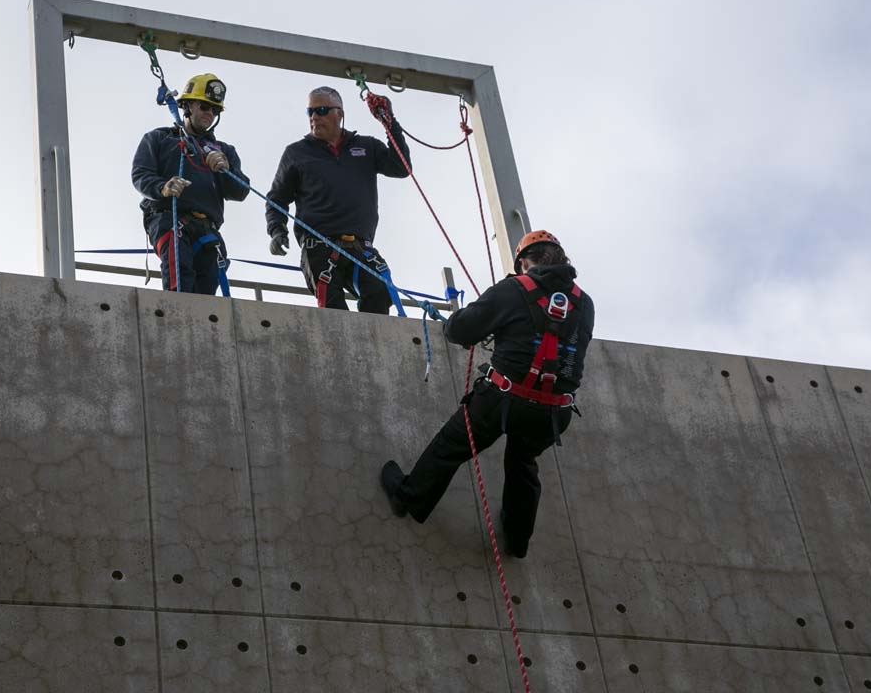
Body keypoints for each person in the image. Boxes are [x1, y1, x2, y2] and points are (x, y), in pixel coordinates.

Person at [380, 230, 595, 558]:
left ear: (525, 263)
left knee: (451, 446)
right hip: (554, 412)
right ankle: (518, 540)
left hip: (503, 399)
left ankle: (409, 497)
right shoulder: (584, 303)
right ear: (562, 259)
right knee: (523, 463)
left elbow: (460, 329)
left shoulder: (513, 289)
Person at [265, 86, 412, 314]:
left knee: (380, 292)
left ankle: (368, 337)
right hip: (318, 247)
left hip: (360, 246)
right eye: (310, 112)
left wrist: (389, 122)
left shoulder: (366, 147)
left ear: (339, 114)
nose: (314, 117)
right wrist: (277, 230)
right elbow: (277, 198)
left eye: (322, 110)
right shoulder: (297, 153)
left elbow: (401, 167)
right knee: (333, 308)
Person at [131, 72, 250, 294]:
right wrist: (163, 188)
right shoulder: (159, 139)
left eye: (215, 110)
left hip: (208, 229)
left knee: (206, 291)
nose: (210, 113)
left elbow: (241, 191)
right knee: (181, 281)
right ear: (186, 106)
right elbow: (140, 175)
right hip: (171, 221)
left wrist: (225, 170)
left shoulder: (223, 151)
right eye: (204, 107)